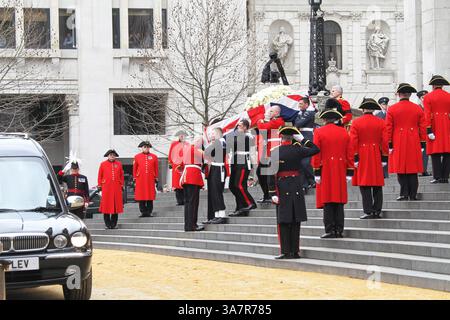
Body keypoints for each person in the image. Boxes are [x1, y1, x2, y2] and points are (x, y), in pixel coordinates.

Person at [269, 126, 320, 259]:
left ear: (281, 137)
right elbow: (316, 149)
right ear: (293, 138)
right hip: (296, 186)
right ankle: (295, 251)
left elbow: (270, 174)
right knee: (295, 220)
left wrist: (272, 192)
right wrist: (303, 140)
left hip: (282, 187)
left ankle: (285, 251)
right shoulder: (298, 149)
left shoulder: (275, 152)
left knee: (283, 221)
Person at [312, 101, 354, 239]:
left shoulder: (318, 132)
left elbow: (316, 153)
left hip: (325, 169)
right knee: (339, 199)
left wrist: (316, 171)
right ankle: (339, 229)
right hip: (341, 168)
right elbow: (349, 153)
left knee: (328, 200)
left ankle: (330, 229)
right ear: (336, 119)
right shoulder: (344, 132)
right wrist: (350, 171)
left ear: (324, 119)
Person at [386, 83, 427, 201]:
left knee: (401, 168)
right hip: (414, 139)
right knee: (412, 169)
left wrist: (389, 143)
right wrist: (423, 142)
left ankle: (404, 193)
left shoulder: (392, 109)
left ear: (399, 94)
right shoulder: (417, 108)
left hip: (398, 139)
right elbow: (422, 127)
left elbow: (389, 128)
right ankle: (413, 194)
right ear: (409, 94)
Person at [350, 98, 388, 220]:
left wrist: (355, 158)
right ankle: (377, 210)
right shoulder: (381, 122)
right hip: (376, 153)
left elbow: (353, 142)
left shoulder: (356, 122)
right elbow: (385, 141)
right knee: (377, 183)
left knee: (365, 183)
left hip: (362, 153)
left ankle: (368, 210)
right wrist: (384, 158)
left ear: (363, 109)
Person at [255, 104, 285, 203]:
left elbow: (262, 128)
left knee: (269, 175)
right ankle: (267, 194)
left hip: (274, 151)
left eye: (271, 111)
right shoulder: (273, 121)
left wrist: (261, 120)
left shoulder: (278, 121)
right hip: (268, 150)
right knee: (260, 172)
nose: (269, 113)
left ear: (276, 112)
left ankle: (270, 194)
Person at [227, 119, 257, 217]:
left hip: (243, 162)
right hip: (235, 162)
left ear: (245, 127)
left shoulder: (247, 136)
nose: (237, 127)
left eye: (239, 126)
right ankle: (241, 207)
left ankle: (250, 203)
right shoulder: (237, 136)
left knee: (239, 185)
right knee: (232, 185)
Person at [424, 75, 450, 184]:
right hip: (447, 126)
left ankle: (437, 176)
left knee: (435, 153)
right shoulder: (448, 96)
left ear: (433, 85)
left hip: (434, 126)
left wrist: (429, 130)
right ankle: (445, 177)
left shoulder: (428, 97)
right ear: (442, 85)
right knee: (447, 152)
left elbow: (427, 114)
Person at [203, 128, 228, 225]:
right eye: (210, 134)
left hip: (218, 168)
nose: (211, 135)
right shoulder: (217, 143)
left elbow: (209, 152)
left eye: (213, 133)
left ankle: (222, 215)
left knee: (217, 193)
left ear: (218, 134)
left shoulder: (221, 142)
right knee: (214, 193)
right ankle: (217, 215)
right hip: (214, 168)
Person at [180, 137, 205, 232]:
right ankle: (192, 225)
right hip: (193, 177)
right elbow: (205, 156)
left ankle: (188, 225)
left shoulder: (186, 148)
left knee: (188, 203)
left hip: (187, 176)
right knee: (193, 203)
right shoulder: (194, 148)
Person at [294, 97, 317, 191]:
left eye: (301, 104)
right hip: (301, 136)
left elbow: (299, 123)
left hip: (307, 136)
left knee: (306, 162)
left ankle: (312, 180)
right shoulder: (300, 113)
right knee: (301, 162)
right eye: (299, 104)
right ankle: (306, 183)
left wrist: (299, 122)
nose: (299, 106)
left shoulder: (310, 113)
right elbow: (297, 123)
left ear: (307, 104)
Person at [98, 149, 124, 229]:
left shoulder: (119, 164)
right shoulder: (103, 164)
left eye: (113, 155)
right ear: (108, 156)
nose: (112, 156)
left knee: (116, 206)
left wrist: (121, 184)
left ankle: (114, 224)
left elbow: (121, 176)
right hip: (106, 188)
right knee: (106, 207)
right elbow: (100, 175)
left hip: (116, 188)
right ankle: (107, 224)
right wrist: (99, 186)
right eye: (110, 155)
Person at [133, 141, 159, 218]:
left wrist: (156, 177)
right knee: (141, 196)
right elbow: (134, 168)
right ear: (142, 148)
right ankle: (143, 212)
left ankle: (149, 211)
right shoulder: (137, 156)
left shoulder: (154, 156)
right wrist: (134, 178)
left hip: (150, 179)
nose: (146, 148)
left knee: (150, 196)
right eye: (145, 147)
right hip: (140, 179)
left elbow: (156, 168)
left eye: (147, 147)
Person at [169, 131, 188, 206]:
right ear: (179, 136)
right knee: (177, 184)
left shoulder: (187, 144)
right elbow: (171, 153)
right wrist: (171, 162)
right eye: (181, 136)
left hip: (185, 166)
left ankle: (185, 199)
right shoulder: (174, 144)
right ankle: (179, 200)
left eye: (183, 135)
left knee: (184, 183)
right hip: (176, 166)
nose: (182, 137)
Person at [417, 90, 431, 177]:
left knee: (426, 153)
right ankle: (419, 170)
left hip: (429, 133)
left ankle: (424, 170)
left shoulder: (429, 107)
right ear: (420, 99)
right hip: (419, 134)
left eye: (426, 97)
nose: (424, 99)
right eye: (422, 97)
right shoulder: (418, 108)